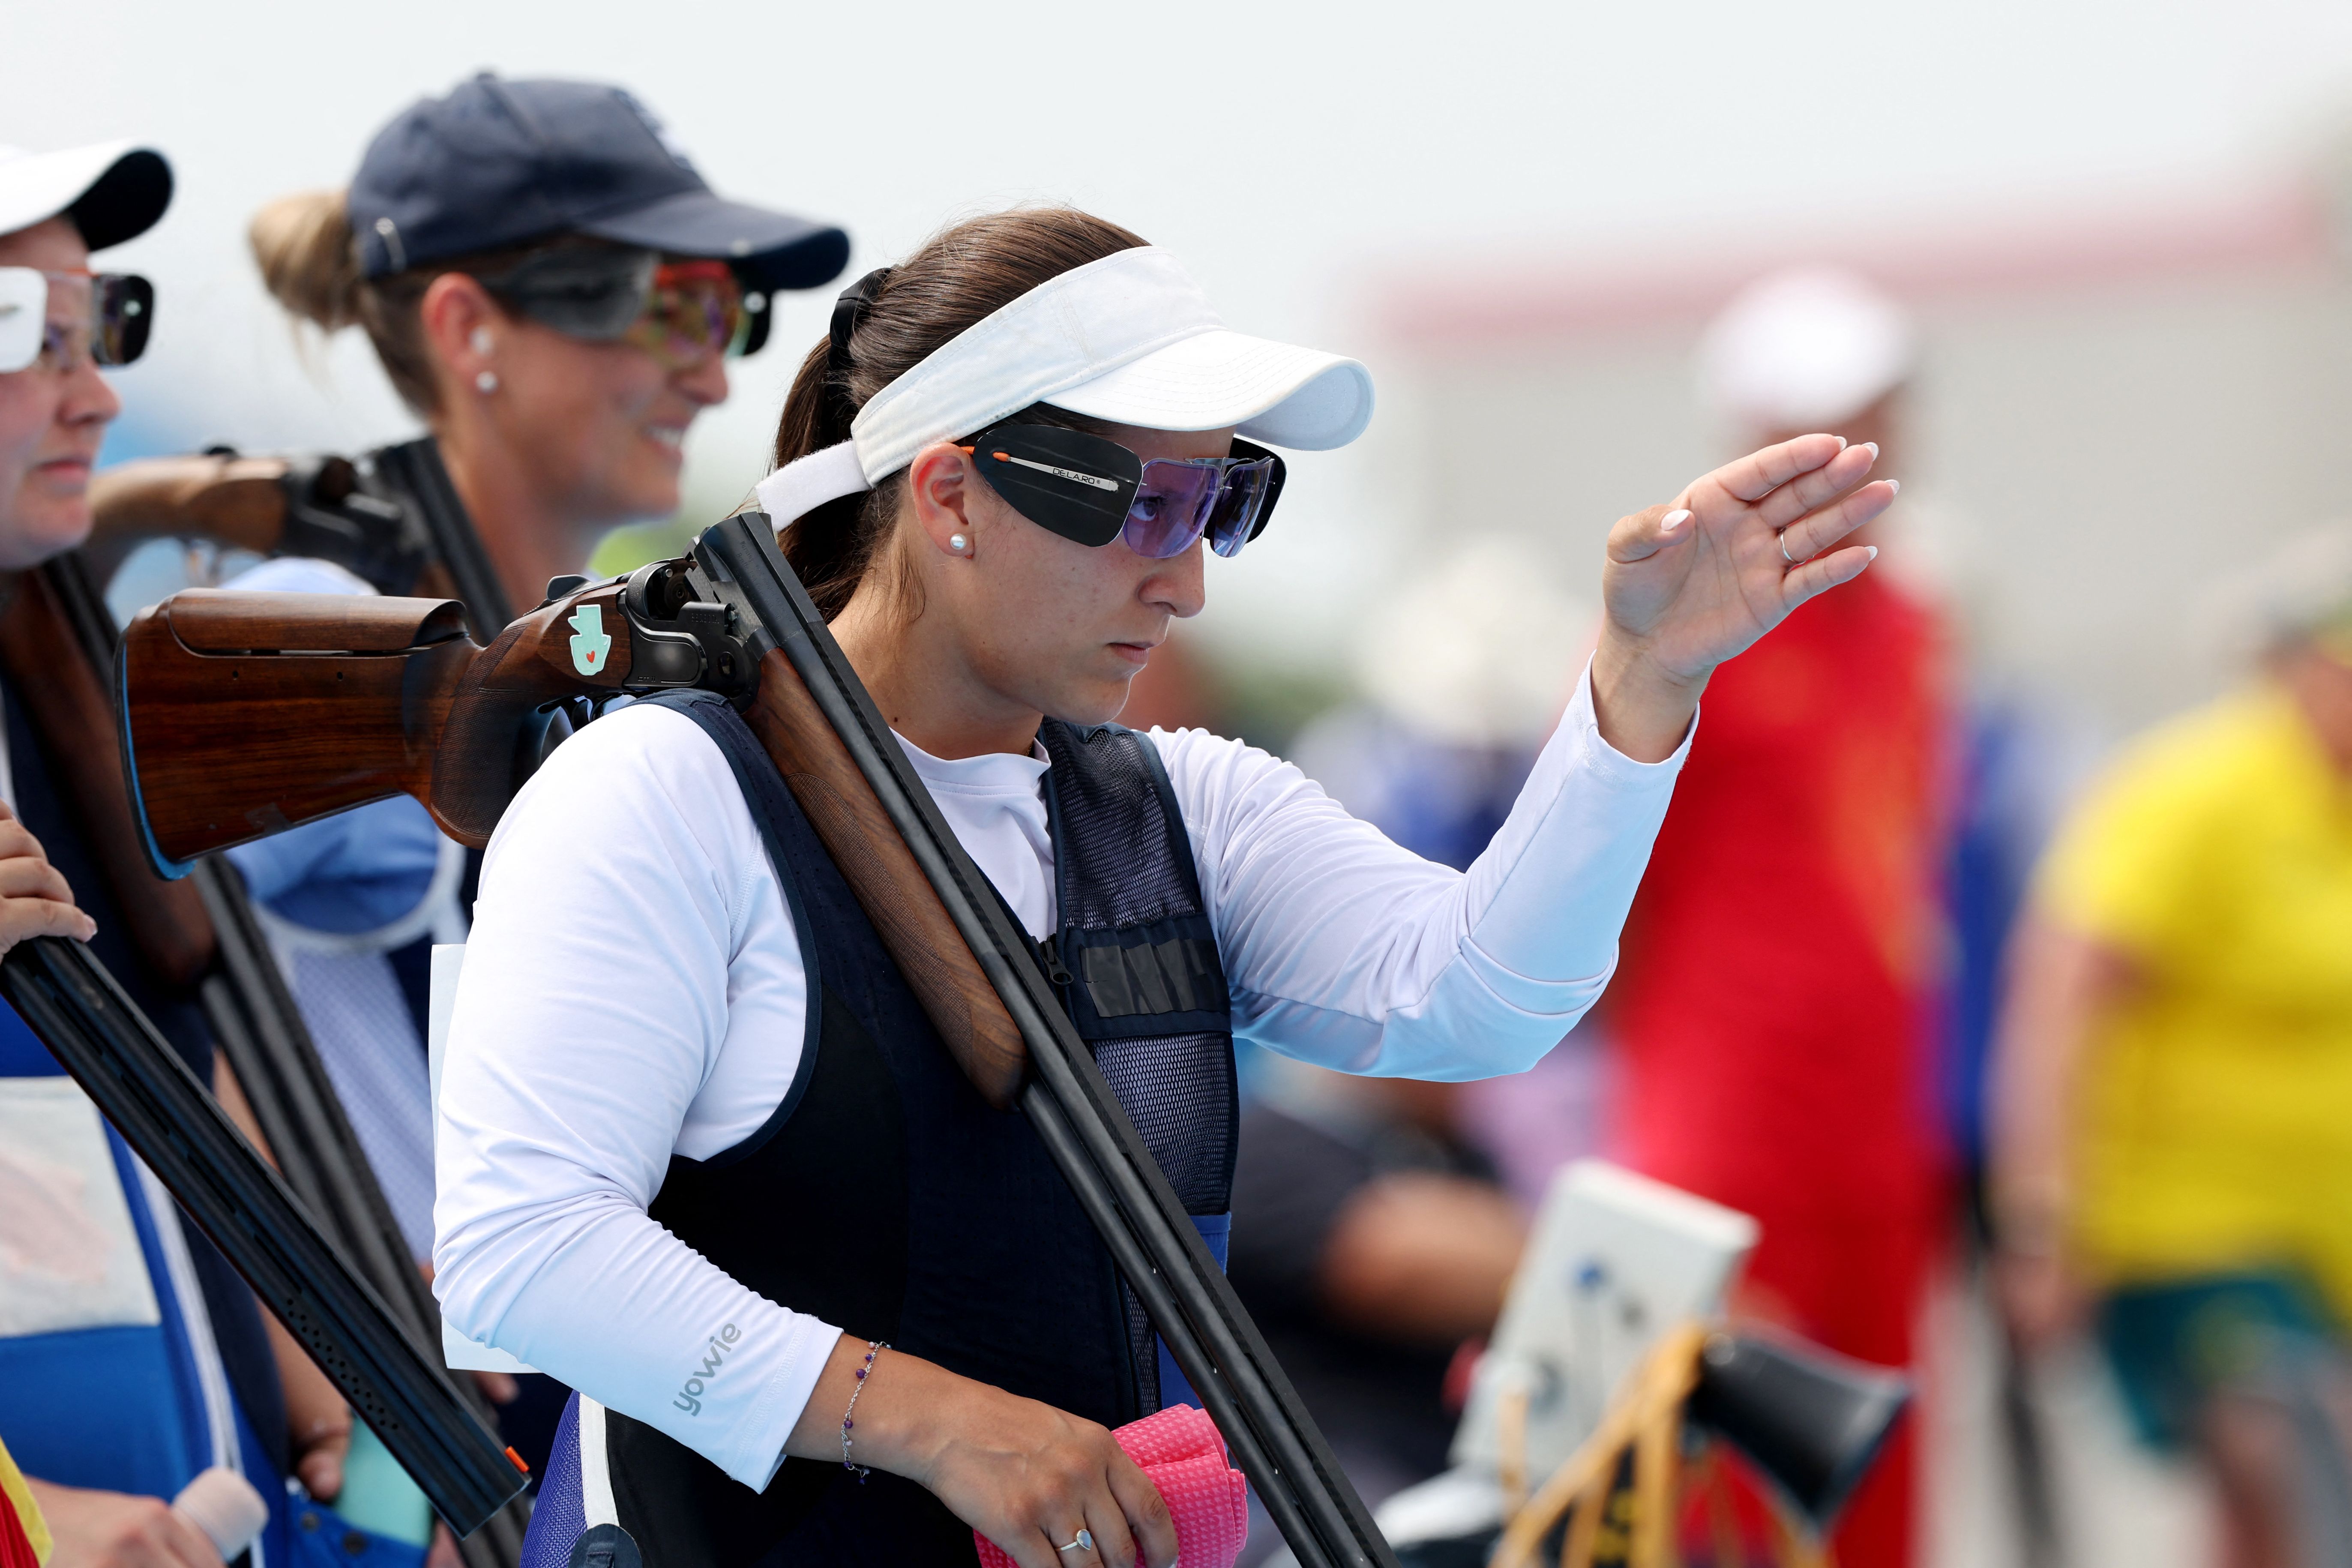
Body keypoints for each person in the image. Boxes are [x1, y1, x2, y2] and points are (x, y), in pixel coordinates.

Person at [431, 207, 1895, 1568]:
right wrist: (944, 1422)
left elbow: (1483, 1002)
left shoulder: (1184, 803)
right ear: (953, 494)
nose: (1188, 581)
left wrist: (1639, 689)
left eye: (1225, 504)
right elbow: (522, 1253)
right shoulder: (656, 796)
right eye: (1148, 506)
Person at [213, 74, 845, 1478]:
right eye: (668, 307)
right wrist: (335, 1387)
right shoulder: (317, 624)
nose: (719, 371)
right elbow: (142, 1009)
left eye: (728, 315)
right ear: (465, 329)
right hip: (415, 1456)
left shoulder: (597, 644)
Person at [0, 138, 382, 1568]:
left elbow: (169, 1066)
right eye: (27, 344)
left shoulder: (51, 691)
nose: (95, 390)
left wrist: (341, 1381)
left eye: (101, 328)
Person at [1598, 266, 1952, 1568]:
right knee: (1727, 1501)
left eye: (1873, 414)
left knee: (1881, 1487)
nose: (1853, 448)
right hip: (1724, 1132)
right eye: (1816, 418)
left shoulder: (1917, 626)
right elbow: (1600, 895)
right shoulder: (1682, 629)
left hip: (1874, 1135)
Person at [1991, 522, 2352, 1568]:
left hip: (2321, 1233)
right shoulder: (2194, 795)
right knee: (2300, 1464)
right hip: (2190, 1225)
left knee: (2261, 1523)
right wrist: (2042, 1222)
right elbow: (2056, 1001)